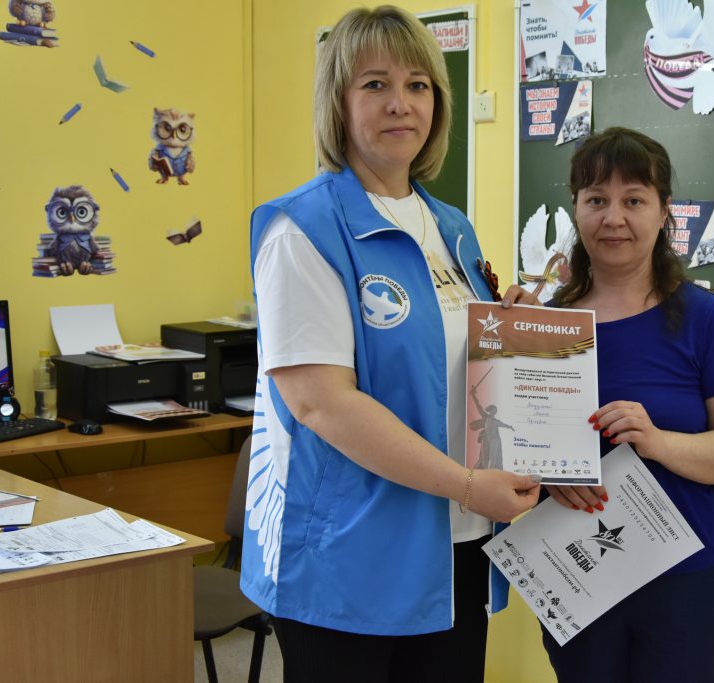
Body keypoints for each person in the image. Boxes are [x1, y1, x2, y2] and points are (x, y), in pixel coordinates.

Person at [238, 7, 541, 682]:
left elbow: (447, 367)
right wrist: (469, 486)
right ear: (338, 102)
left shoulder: (451, 227)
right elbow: (323, 405)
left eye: (418, 85)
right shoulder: (303, 230)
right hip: (349, 560)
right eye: (374, 84)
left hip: (454, 542)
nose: (400, 103)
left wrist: (510, 331)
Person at [521, 127, 714, 681]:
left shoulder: (703, 317)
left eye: (633, 200)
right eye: (596, 200)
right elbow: (510, 441)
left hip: (691, 580)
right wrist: (545, 470)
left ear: (663, 212)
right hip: (578, 571)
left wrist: (657, 442)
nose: (614, 218)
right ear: (576, 210)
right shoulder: (545, 325)